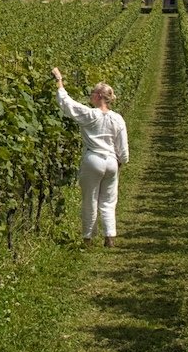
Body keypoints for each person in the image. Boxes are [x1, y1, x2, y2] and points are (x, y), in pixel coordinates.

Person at [51, 66, 130, 247]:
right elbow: (123, 147)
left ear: (99, 96)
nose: (90, 95)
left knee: (90, 200)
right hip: (111, 161)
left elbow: (68, 104)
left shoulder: (91, 115)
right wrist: (121, 162)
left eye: (93, 92)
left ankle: (87, 238)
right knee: (109, 200)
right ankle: (109, 236)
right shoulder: (117, 119)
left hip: (93, 159)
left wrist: (59, 80)